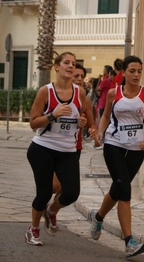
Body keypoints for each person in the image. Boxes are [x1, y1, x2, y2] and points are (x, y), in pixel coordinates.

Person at [87, 55, 144, 258]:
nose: (136, 75)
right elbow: (105, 116)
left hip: (136, 149)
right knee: (124, 190)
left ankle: (97, 217)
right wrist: (100, 133)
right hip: (114, 145)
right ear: (123, 72)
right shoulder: (115, 93)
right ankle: (129, 241)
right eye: (132, 71)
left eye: (139, 71)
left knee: (117, 189)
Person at [25, 52, 88, 246]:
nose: (70, 66)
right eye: (66, 62)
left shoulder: (80, 93)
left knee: (71, 192)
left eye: (74, 63)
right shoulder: (46, 91)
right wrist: (53, 114)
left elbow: (80, 119)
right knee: (44, 192)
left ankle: (51, 211)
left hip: (67, 151)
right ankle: (33, 229)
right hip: (43, 148)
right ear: (56, 67)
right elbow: (33, 123)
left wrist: (81, 123)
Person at [51, 63, 96, 202]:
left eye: (82, 76)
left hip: (74, 147)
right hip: (53, 144)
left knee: (68, 187)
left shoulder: (84, 99)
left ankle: (52, 211)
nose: (79, 79)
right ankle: (42, 205)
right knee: (55, 186)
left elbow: (91, 123)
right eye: (76, 75)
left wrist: (93, 131)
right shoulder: (53, 93)